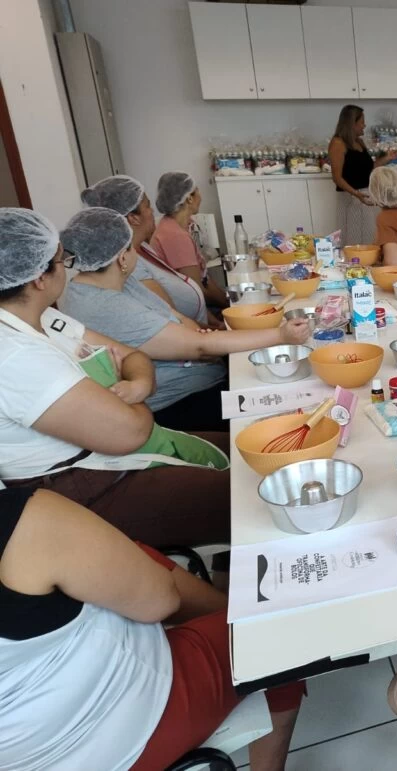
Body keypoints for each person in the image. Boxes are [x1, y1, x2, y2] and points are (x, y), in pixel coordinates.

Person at [0, 486, 303, 770]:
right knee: (283, 632)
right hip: (122, 729)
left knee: (124, 557)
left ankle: (226, 618)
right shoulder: (24, 523)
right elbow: (162, 601)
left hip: (24, 752)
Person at [0, 208, 229, 548]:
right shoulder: (16, 355)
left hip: (110, 448)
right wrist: (133, 399)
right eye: (64, 261)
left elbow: (134, 358)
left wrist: (135, 387)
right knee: (244, 494)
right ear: (38, 277)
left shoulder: (45, 318)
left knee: (242, 448)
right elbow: (130, 432)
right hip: (76, 487)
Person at [59, 207, 311, 434]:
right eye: (130, 248)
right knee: (291, 407)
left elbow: (176, 317)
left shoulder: (116, 282)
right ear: (122, 259)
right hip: (180, 401)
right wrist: (282, 335)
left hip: (203, 370)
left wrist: (205, 338)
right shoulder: (105, 305)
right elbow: (198, 346)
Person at [81, 174, 214, 327]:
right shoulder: (130, 264)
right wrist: (216, 331)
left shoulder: (142, 247)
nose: (152, 211)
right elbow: (172, 320)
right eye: (147, 206)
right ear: (133, 218)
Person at [150, 171, 229, 310]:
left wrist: (226, 298)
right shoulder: (175, 236)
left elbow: (204, 278)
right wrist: (228, 305)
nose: (200, 195)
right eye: (197, 190)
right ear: (189, 199)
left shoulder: (179, 226)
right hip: (192, 309)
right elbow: (196, 290)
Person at [327, 105, 397, 246]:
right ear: (352, 123)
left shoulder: (359, 142)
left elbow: (368, 169)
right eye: (361, 122)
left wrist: (386, 159)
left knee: (370, 236)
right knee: (353, 239)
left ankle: (369, 265)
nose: (364, 125)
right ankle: (356, 266)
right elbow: (337, 178)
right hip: (351, 197)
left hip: (366, 195)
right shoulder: (338, 143)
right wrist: (356, 194)